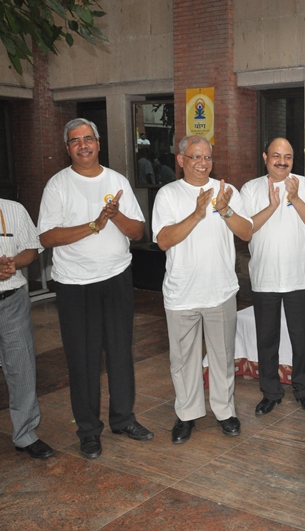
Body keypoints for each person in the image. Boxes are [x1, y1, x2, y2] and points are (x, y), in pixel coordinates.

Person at [39, 118, 153, 459]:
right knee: (83, 359)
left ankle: (123, 419)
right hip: (75, 285)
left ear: (98, 143)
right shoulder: (58, 185)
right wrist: (94, 225)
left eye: (88, 138)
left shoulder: (117, 181)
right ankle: (88, 430)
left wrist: (114, 216)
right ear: (68, 148)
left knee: (120, 352)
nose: (83, 145)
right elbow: (47, 236)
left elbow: (138, 233)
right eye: (75, 141)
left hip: (116, 278)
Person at [152, 135, 253, 444]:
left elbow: (247, 233)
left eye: (207, 157)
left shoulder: (227, 191)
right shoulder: (168, 194)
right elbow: (163, 240)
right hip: (181, 293)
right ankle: (187, 414)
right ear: (181, 160)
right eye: (195, 157)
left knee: (222, 356)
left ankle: (225, 412)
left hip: (220, 291)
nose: (203, 163)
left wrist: (225, 210)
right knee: (183, 360)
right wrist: (197, 214)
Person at [241, 138, 305, 415]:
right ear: (265, 157)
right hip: (264, 277)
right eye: (276, 155)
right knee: (267, 339)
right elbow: (245, 230)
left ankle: (303, 389)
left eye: (287, 156)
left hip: (299, 276)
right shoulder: (250, 188)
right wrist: (272, 205)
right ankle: (270, 392)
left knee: (303, 339)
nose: (282, 161)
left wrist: (295, 198)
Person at [0, 199, 53, 459]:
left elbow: (31, 249)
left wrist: (13, 264)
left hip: (11, 300)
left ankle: (25, 434)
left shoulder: (13, 209)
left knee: (22, 368)